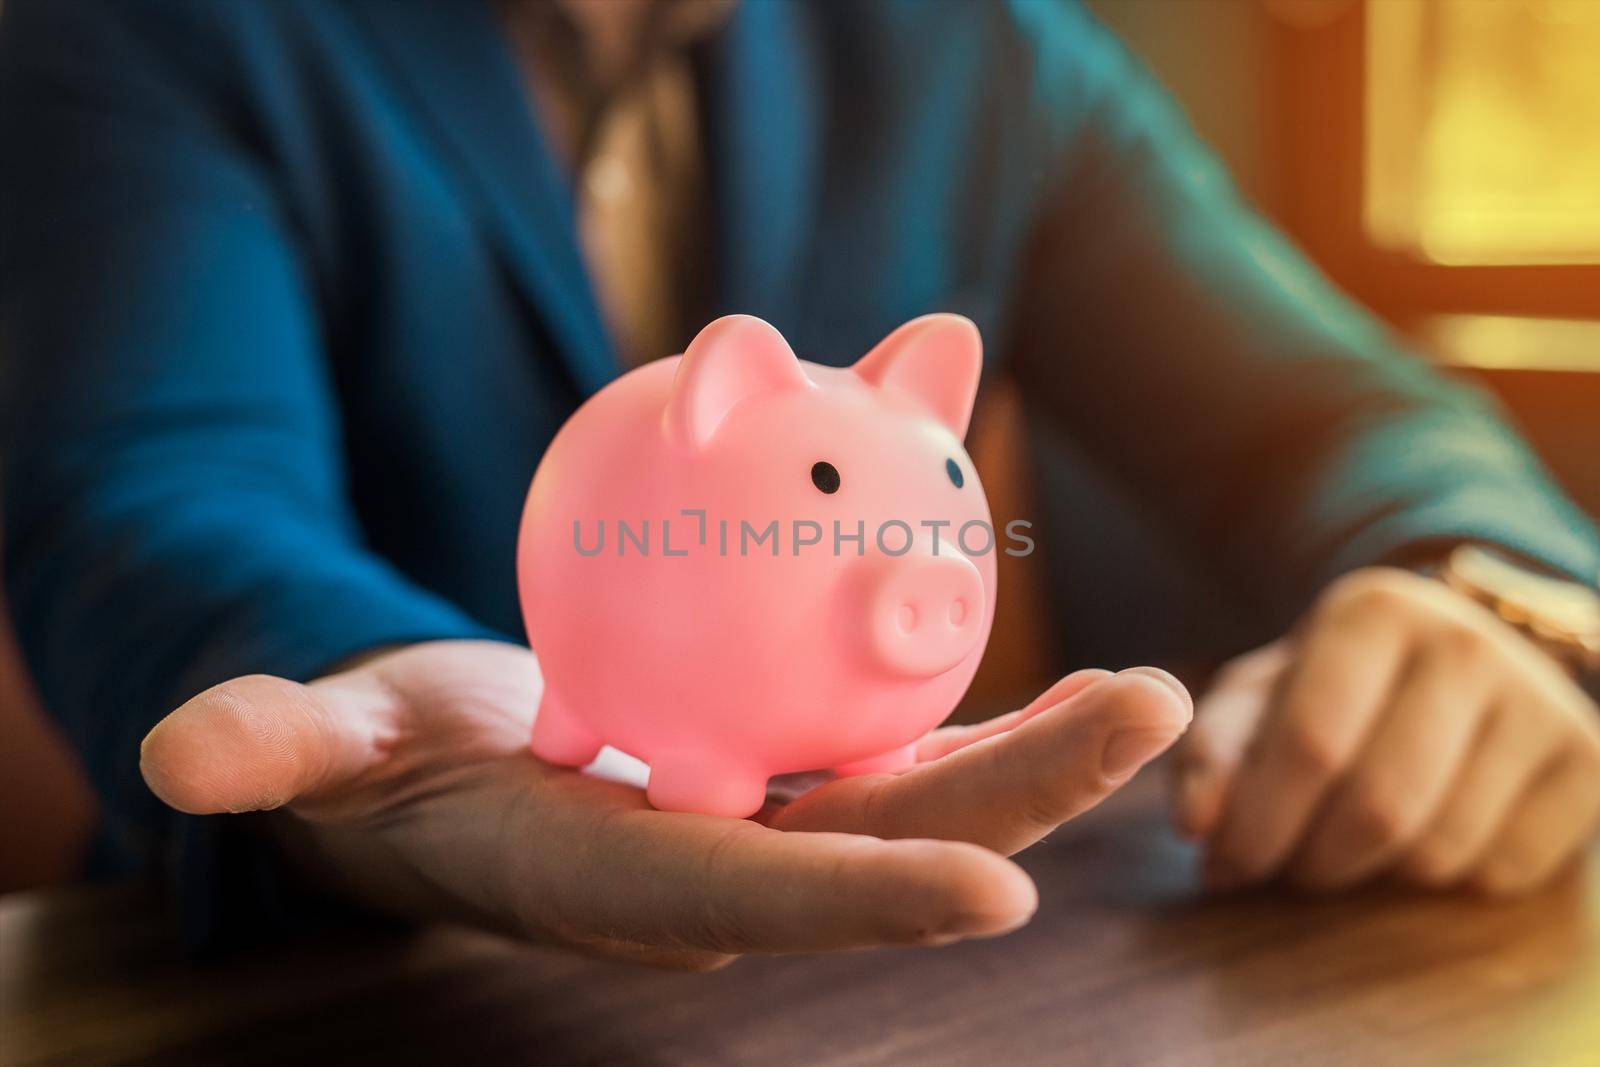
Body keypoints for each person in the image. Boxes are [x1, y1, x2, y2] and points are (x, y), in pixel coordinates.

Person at [2, 0, 1597, 969]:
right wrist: (369, 708)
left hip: (894, 989)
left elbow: (1328, 412)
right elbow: (159, 480)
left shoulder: (973, 44)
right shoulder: (152, 29)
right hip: (344, 981)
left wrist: (1489, 600)